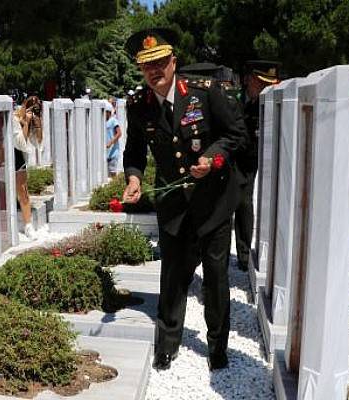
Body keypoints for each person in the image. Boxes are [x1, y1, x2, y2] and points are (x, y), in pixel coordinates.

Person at [122, 28, 248, 371]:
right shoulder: (139, 106)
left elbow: (236, 134)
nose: (155, 70)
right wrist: (133, 178)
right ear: (141, 69)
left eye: (161, 62)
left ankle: (217, 347)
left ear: (173, 61)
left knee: (216, 275)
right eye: (148, 65)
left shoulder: (204, 93)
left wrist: (212, 157)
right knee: (173, 274)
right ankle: (168, 343)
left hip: (215, 200)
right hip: (174, 203)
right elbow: (133, 151)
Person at [234, 60, 280, 270]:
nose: (264, 89)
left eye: (267, 84)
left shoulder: (265, 105)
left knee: (244, 204)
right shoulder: (232, 99)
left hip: (248, 163)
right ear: (249, 79)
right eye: (260, 83)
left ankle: (244, 256)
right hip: (226, 161)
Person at [13, 96, 43, 240]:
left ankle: (28, 225)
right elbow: (19, 142)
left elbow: (38, 142)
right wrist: (25, 123)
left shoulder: (31, 120)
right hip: (10, 155)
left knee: (24, 192)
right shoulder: (14, 118)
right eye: (31, 108)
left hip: (20, 158)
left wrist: (37, 124)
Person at [104, 101, 122, 177]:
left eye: (105, 112)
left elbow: (119, 133)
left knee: (112, 172)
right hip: (105, 152)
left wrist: (111, 143)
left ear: (108, 112)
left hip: (113, 151)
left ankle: (115, 185)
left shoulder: (113, 120)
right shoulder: (101, 121)